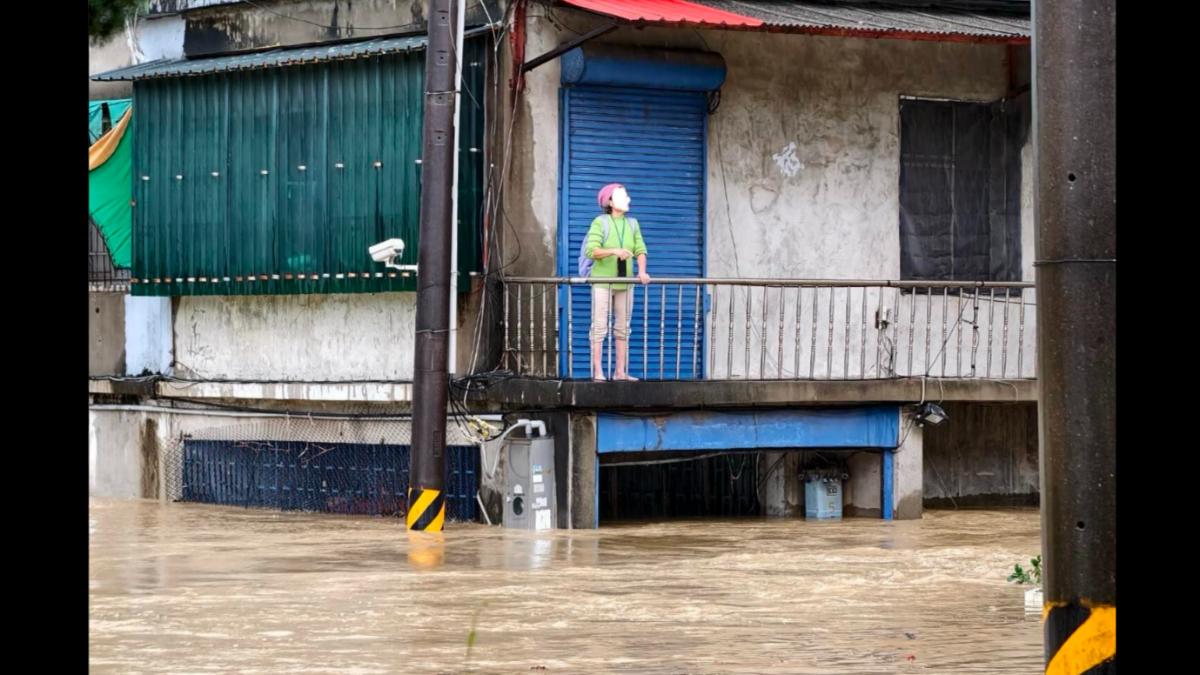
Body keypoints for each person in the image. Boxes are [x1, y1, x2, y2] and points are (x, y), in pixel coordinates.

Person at [585, 183, 650, 381]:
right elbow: (592, 251)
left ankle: (620, 372)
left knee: (623, 327)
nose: (628, 199)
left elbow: (640, 249)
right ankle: (598, 372)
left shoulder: (633, 224)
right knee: (599, 327)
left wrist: (642, 271)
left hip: (625, 283)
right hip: (603, 282)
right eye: (622, 196)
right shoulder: (600, 222)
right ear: (610, 202)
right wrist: (614, 251)